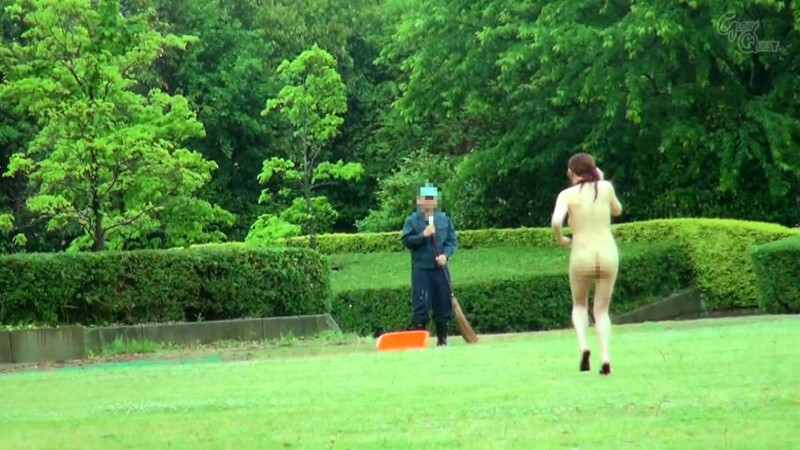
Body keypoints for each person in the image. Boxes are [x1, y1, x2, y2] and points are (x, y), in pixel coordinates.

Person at [550, 153, 622, 375]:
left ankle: (583, 345)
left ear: (571, 172)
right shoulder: (605, 188)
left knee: (579, 305)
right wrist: (601, 179)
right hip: (607, 254)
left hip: (581, 254)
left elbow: (555, 221)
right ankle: (605, 356)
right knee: (601, 311)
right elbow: (617, 210)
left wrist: (561, 239)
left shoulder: (567, 195)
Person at [400, 183, 458, 346]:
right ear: (419, 200)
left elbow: (451, 241)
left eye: (431, 198)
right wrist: (423, 235)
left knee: (443, 303)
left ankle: (442, 340)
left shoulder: (444, 220)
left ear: (435, 201)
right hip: (421, 270)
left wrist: (445, 255)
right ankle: (419, 341)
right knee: (421, 304)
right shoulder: (412, 221)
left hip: (440, 270)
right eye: (425, 198)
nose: (428, 202)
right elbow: (406, 240)